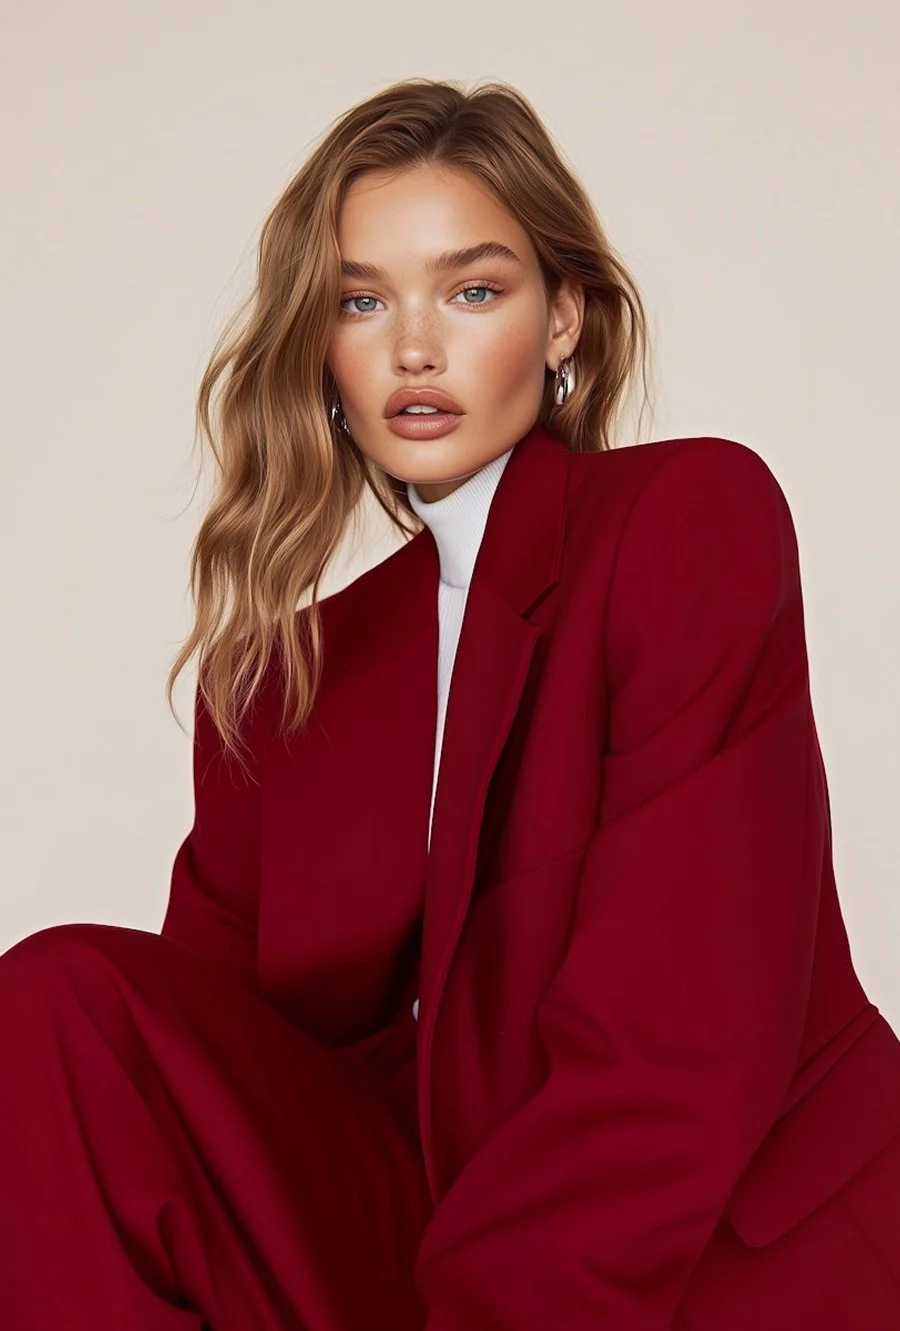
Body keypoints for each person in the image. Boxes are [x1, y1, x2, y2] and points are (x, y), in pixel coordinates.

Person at [1, 75, 898, 1331]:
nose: (414, 347)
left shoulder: (690, 525)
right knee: (57, 1013)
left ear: (566, 318)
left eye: (473, 290)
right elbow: (204, 1097)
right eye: (363, 301)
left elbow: (673, 1056)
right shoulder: (278, 684)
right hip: (434, 1240)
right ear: (323, 345)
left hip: (730, 1263)